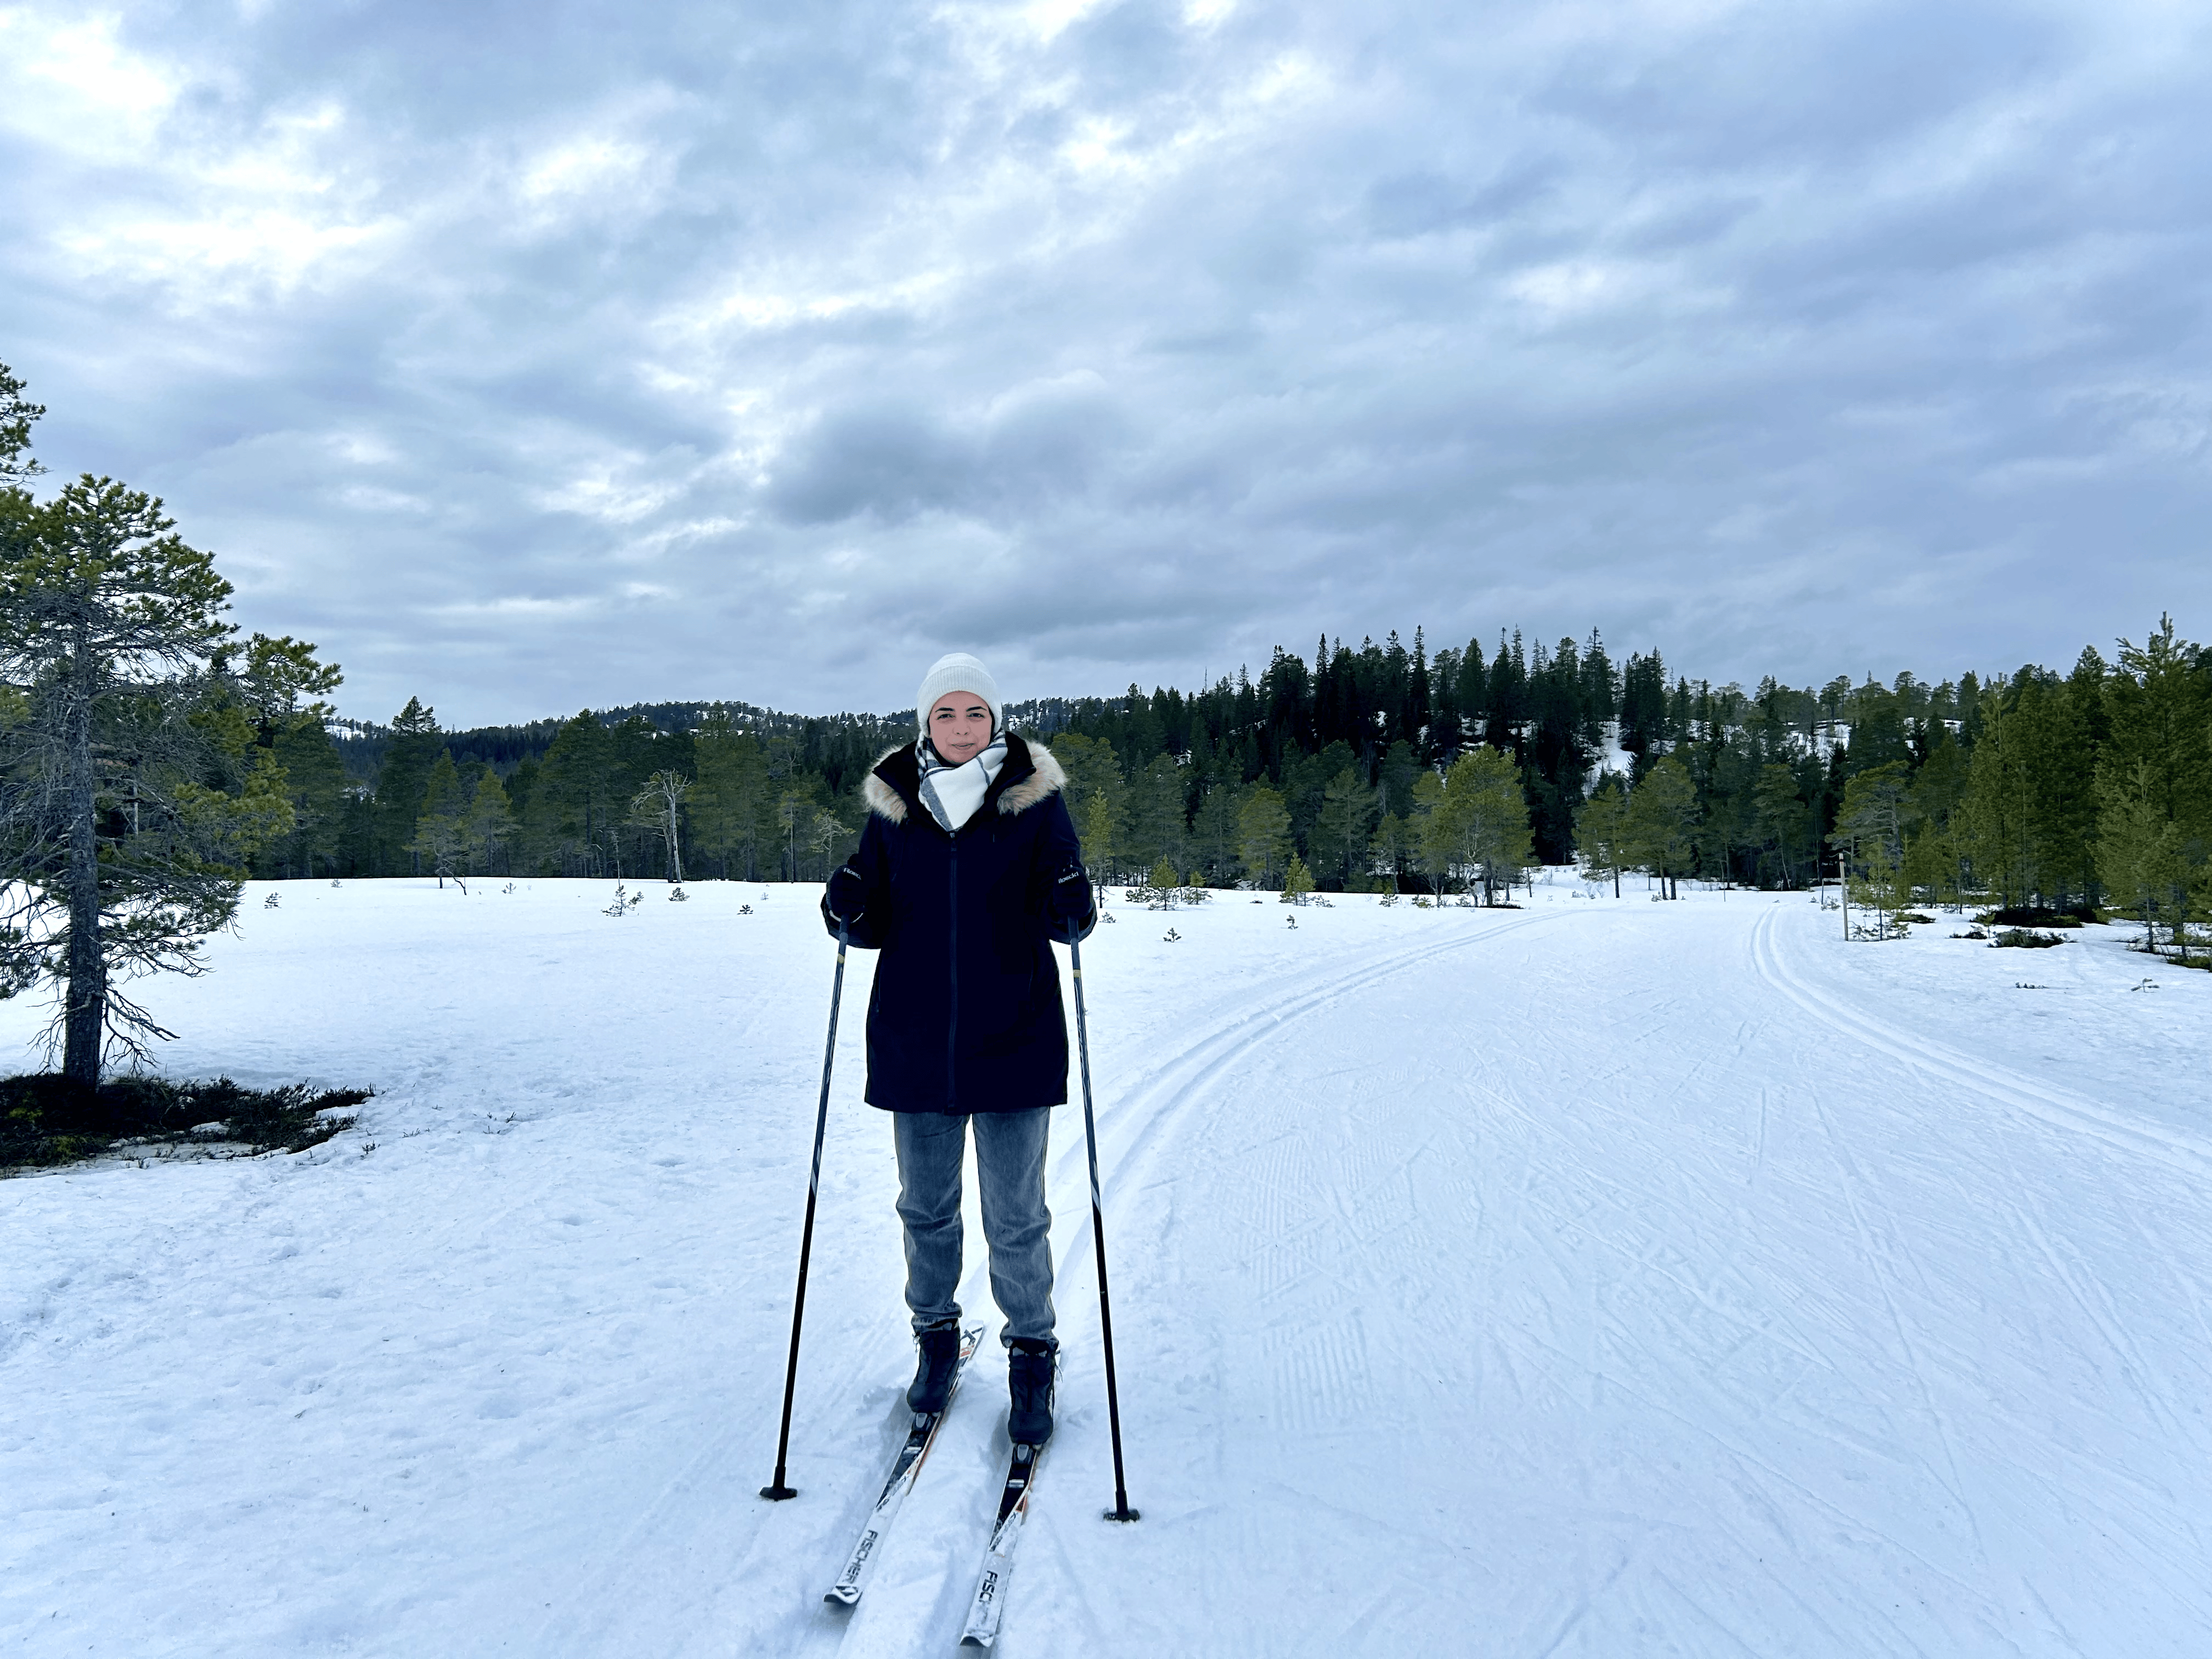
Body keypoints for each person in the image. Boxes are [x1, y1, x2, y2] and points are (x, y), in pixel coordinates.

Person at [820, 652, 1096, 1446]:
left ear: (996, 721)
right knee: (926, 1209)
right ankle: (936, 1338)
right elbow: (869, 918)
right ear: (925, 724)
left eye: (976, 713)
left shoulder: (1034, 800)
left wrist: (1073, 901)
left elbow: (1066, 913)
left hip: (1015, 1037)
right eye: (946, 714)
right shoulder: (895, 804)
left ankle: (1032, 1352)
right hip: (915, 1041)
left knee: (1016, 1216)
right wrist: (844, 906)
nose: (962, 727)